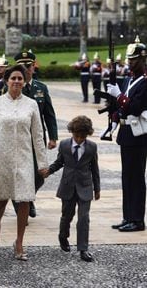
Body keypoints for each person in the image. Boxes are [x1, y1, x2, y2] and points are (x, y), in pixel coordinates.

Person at [0, 64, 47, 260]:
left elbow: (37, 135)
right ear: (6, 81)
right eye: (13, 78)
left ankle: (19, 241)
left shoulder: (31, 104)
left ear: (24, 81)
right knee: (2, 197)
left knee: (25, 198)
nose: (17, 82)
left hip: (24, 157)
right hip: (1, 156)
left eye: (20, 78)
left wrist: (42, 162)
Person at [43, 115, 100, 262]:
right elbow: (59, 162)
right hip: (68, 186)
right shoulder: (64, 145)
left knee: (84, 218)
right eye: (77, 136)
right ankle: (63, 236)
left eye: (83, 137)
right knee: (67, 216)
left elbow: (95, 168)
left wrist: (97, 188)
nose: (79, 139)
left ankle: (83, 249)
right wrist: (49, 171)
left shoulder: (92, 147)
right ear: (72, 132)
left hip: (85, 187)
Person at [11, 50, 58, 217]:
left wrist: (53, 136)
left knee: (39, 175)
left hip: (36, 138)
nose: (26, 69)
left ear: (33, 67)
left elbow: (49, 114)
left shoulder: (41, 88)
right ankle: (20, 203)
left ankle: (28, 199)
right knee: (18, 172)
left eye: (28, 66)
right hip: (17, 137)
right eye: (22, 66)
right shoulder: (11, 87)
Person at [107, 37, 147, 232]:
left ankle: (138, 219)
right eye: (129, 59)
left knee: (136, 178)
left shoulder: (145, 82)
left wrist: (119, 96)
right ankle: (128, 216)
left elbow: (136, 107)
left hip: (139, 137)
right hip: (127, 134)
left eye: (134, 60)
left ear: (143, 60)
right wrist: (113, 120)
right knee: (127, 178)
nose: (130, 63)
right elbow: (123, 108)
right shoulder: (131, 80)